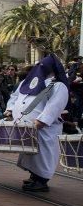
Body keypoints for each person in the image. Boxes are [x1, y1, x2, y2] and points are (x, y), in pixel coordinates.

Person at [5, 55, 69, 192]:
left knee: (43, 155)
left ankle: (41, 181)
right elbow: (15, 96)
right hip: (26, 128)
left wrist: (41, 121)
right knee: (31, 155)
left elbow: (55, 105)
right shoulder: (26, 82)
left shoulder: (58, 85)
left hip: (43, 129)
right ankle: (34, 177)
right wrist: (10, 109)